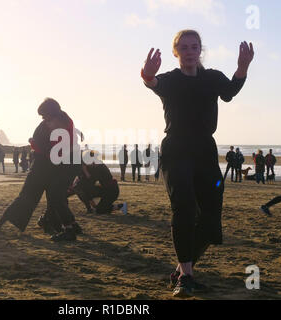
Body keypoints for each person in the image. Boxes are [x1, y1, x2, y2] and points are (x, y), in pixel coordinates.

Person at [142, 29, 253, 297]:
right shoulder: (171, 79)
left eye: (194, 47)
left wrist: (242, 68)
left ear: (200, 50)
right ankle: (187, 275)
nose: (190, 51)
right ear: (176, 52)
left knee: (211, 217)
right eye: (184, 47)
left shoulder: (212, 77)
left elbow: (229, 92)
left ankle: (182, 269)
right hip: (176, 149)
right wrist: (147, 74)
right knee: (184, 207)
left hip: (204, 149)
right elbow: (152, 82)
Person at [0, 98, 82, 242]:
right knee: (48, 198)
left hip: (46, 166)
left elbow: (53, 150)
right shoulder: (60, 120)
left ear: (52, 113)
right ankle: (67, 227)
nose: (43, 118)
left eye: (44, 114)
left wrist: (33, 143)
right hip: (50, 166)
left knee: (39, 197)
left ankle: (67, 228)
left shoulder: (59, 123)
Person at [71, 150, 127, 215]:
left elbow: (91, 180)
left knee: (99, 210)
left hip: (112, 191)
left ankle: (121, 206)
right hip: (104, 189)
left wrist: (85, 171)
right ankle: (95, 206)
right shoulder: (96, 166)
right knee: (82, 187)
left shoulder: (99, 167)